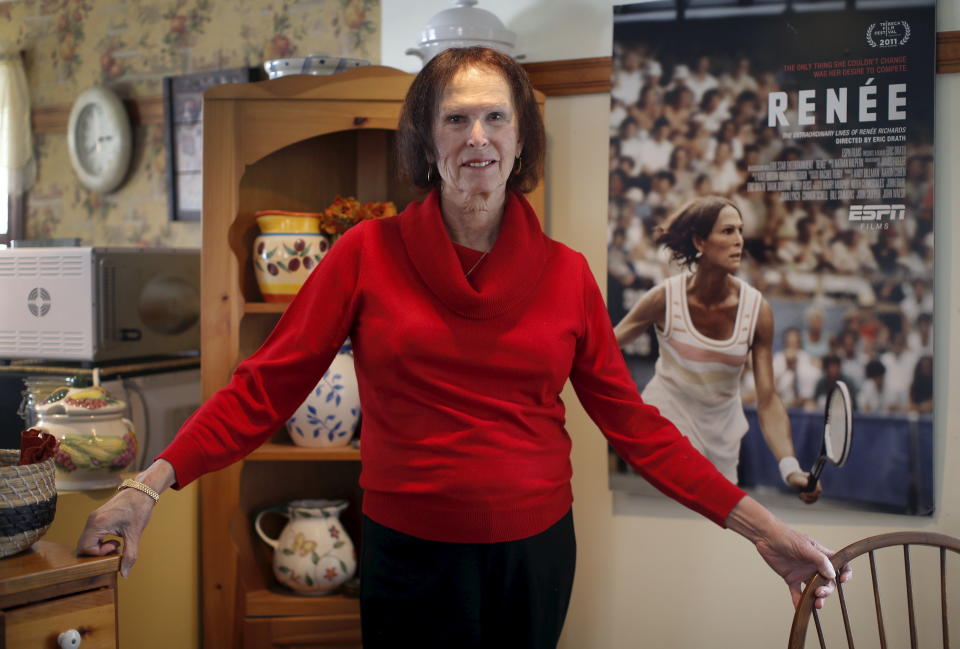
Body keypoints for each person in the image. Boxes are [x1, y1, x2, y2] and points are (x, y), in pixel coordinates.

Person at [76, 48, 846, 649]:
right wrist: (146, 486)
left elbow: (640, 429)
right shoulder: (363, 254)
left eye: (495, 120)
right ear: (427, 138)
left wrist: (766, 531)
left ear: (520, 141)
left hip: (535, 558)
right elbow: (262, 389)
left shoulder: (567, 275)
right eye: (455, 120)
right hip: (408, 555)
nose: (477, 137)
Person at [613, 196, 821, 503]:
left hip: (722, 441)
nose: (739, 240)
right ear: (700, 241)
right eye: (727, 232)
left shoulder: (757, 310)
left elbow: (767, 400)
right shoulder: (664, 299)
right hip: (667, 424)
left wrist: (790, 468)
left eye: (740, 231)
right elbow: (605, 346)